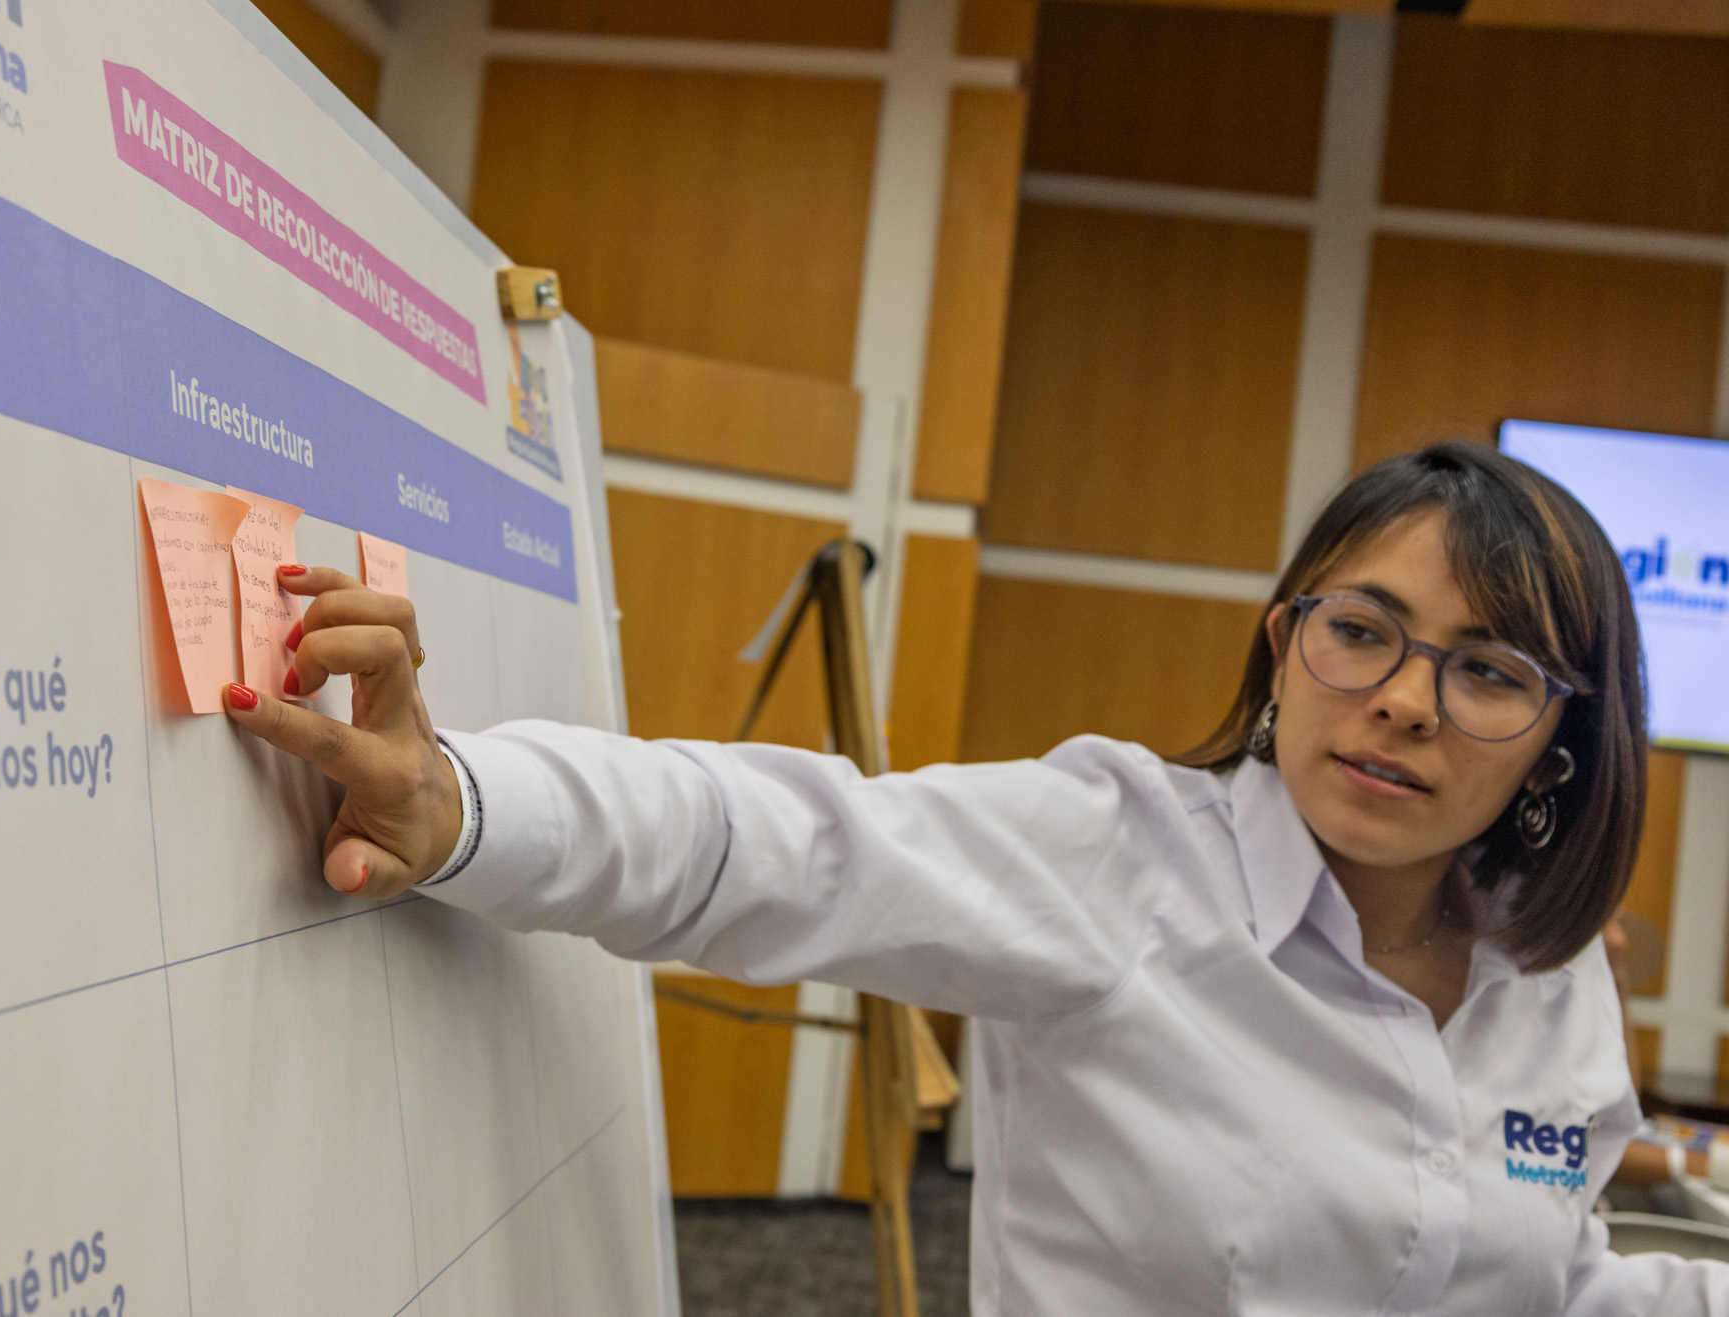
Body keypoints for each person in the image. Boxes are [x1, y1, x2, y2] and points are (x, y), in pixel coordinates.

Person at [222, 442, 1728, 1313]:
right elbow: (774, 841)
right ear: (1284, 644)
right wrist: (461, 796)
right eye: (1363, 630)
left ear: (1556, 742)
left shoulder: (1553, 976)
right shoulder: (1123, 855)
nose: (1405, 697)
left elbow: (1533, 1277)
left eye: (1486, 669)